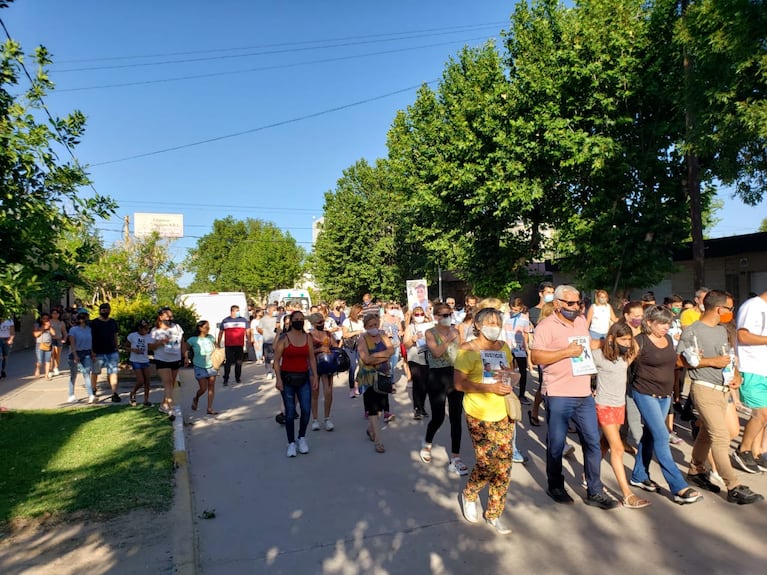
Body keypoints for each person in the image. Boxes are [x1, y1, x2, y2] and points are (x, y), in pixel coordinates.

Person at [530, 284, 617, 509]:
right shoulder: (545, 326)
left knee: (592, 442)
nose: (575, 307)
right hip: (558, 393)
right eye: (570, 303)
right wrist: (565, 352)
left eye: (578, 302)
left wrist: (609, 342)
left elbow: (587, 346)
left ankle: (595, 491)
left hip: (583, 393)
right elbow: (536, 357)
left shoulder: (580, 322)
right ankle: (555, 485)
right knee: (557, 444)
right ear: (557, 303)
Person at [678, 290, 763, 504]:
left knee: (707, 432)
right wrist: (711, 361)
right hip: (704, 389)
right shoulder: (693, 331)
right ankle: (733, 485)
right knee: (721, 435)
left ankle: (696, 470)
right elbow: (681, 361)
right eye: (730, 308)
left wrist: (735, 376)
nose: (731, 313)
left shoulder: (721, 330)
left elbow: (729, 357)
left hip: (723, 389)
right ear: (718, 309)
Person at [628, 305, 702, 504]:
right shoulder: (640, 341)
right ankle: (678, 487)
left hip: (664, 395)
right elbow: (623, 364)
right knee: (662, 436)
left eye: (668, 323)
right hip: (644, 393)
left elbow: (674, 363)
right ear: (649, 322)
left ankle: (638, 475)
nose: (666, 327)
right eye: (661, 323)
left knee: (651, 435)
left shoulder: (668, 339)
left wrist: (688, 359)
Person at [454, 307, 516, 534]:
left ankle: (495, 513)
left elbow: (510, 371)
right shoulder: (467, 349)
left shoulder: (504, 347)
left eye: (498, 322)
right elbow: (459, 384)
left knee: (504, 466)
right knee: (487, 462)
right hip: (478, 412)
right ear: (478, 325)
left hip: (504, 412)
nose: (494, 327)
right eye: (489, 322)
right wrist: (488, 387)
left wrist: (509, 379)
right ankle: (470, 493)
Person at [591, 322, 650, 509]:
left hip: (619, 405)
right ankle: (627, 495)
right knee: (617, 449)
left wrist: (635, 328)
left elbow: (637, 346)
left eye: (628, 339)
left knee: (605, 443)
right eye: (623, 339)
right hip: (604, 405)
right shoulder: (599, 356)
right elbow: (584, 362)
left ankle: (588, 474)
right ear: (612, 338)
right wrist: (604, 341)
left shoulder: (625, 357)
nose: (627, 342)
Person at [419, 302, 466, 475]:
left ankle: (455, 457)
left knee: (456, 416)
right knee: (438, 416)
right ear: (436, 316)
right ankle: (427, 442)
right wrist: (449, 338)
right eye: (444, 315)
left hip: (454, 374)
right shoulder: (430, 332)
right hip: (437, 376)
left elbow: (460, 352)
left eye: (450, 314)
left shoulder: (456, 331)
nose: (448, 318)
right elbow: (436, 352)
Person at [274, 310, 318, 457]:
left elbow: (312, 358)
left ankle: (301, 437)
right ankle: (291, 442)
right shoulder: (284, 339)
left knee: (306, 409)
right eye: (296, 319)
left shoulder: (308, 338)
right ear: (291, 321)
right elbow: (276, 361)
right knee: (290, 411)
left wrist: (315, 376)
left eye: (301, 319)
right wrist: (278, 379)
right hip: (287, 379)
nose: (299, 321)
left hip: (304, 378)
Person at [732, 289, 767, 474]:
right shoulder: (752, 306)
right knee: (761, 414)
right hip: (752, 367)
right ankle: (742, 450)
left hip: (765, 368)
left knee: (765, 416)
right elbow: (743, 336)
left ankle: (756, 453)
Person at [356, 313, 394, 453]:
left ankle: (370, 429)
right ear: (365, 326)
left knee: (380, 407)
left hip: (383, 375)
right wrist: (384, 356)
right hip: (369, 377)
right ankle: (378, 441)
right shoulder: (362, 339)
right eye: (370, 326)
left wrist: (376, 358)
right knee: (372, 408)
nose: (373, 328)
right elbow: (366, 359)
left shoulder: (383, 334)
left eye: (375, 325)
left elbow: (391, 350)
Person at [149, 306, 186, 420]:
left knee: (172, 383)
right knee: (168, 383)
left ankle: (163, 405)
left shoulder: (177, 327)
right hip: (162, 359)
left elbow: (182, 342)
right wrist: (160, 342)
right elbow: (150, 346)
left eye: (171, 316)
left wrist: (185, 356)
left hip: (175, 359)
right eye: (168, 316)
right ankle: (171, 409)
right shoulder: (155, 331)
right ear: (161, 317)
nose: (170, 318)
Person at [404, 306, 434, 419]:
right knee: (418, 383)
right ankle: (417, 408)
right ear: (413, 316)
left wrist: (429, 315)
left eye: (421, 314)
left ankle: (422, 407)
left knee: (426, 384)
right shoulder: (410, 328)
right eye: (417, 314)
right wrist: (413, 339)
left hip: (428, 357)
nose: (419, 316)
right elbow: (405, 344)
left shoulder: (429, 326)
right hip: (415, 357)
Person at [527, 302, 554, 427]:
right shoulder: (541, 327)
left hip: (560, 361)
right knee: (543, 387)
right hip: (545, 361)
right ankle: (535, 411)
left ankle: (561, 419)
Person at [309, 312, 337, 431]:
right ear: (313, 323)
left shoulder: (328, 334)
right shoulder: (309, 336)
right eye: (319, 322)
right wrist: (320, 349)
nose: (322, 324)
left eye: (323, 321)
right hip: (313, 366)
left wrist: (332, 349)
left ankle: (327, 418)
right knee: (315, 393)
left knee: (328, 392)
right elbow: (308, 352)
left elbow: (335, 346)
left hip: (327, 365)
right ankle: (315, 419)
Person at [502, 297, 532, 405]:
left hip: (519, 348)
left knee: (523, 371)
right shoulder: (505, 316)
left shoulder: (524, 318)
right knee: (507, 371)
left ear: (520, 308)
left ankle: (522, 394)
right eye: (512, 309)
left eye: (516, 310)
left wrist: (526, 347)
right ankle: (507, 392)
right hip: (507, 347)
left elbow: (526, 333)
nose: (514, 312)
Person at [90, 302, 121, 402]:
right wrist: (92, 351)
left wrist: (116, 348)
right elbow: (90, 338)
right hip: (97, 352)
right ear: (99, 311)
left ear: (109, 310)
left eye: (106, 309)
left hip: (112, 351)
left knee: (113, 373)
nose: (104, 311)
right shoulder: (94, 323)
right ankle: (93, 390)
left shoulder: (113, 322)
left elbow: (115, 336)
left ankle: (114, 393)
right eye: (103, 309)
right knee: (95, 372)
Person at [187, 320, 219, 415]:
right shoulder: (193, 339)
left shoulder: (211, 338)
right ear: (200, 328)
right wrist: (186, 356)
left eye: (209, 327)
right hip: (199, 365)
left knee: (211, 385)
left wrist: (218, 353)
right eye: (206, 327)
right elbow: (185, 347)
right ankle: (196, 398)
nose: (208, 329)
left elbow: (217, 347)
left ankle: (209, 408)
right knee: (203, 388)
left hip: (212, 364)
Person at [217, 304, 250, 385]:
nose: (239, 312)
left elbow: (248, 331)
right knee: (228, 362)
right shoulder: (225, 321)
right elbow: (221, 332)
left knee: (239, 362)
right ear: (232, 311)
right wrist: (218, 343)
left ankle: (237, 377)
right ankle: (226, 378)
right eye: (237, 311)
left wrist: (249, 340)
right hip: (229, 345)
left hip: (239, 344)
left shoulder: (243, 320)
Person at [68, 309, 96, 403]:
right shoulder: (73, 330)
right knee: (73, 375)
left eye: (85, 316)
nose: (83, 319)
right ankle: (71, 395)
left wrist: (92, 352)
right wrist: (75, 355)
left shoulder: (90, 330)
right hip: (76, 353)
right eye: (81, 317)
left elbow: (91, 342)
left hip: (87, 353)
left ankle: (90, 395)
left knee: (86, 373)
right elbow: (72, 344)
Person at [126, 319, 153, 407]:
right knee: (141, 380)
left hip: (145, 360)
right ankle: (133, 393)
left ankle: (146, 400)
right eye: (144, 329)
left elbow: (151, 347)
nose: (146, 331)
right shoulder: (132, 336)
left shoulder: (149, 336)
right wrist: (133, 350)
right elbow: (125, 347)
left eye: (147, 329)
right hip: (135, 360)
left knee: (147, 381)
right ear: (139, 328)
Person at [341, 304, 365, 398]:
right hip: (350, 346)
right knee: (352, 366)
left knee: (362, 366)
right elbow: (345, 335)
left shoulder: (361, 321)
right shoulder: (347, 321)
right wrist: (356, 332)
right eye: (360, 312)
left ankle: (357, 383)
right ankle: (351, 388)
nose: (361, 313)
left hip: (360, 345)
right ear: (356, 312)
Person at [258, 303, 279, 380]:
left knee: (277, 357)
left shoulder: (277, 319)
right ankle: (269, 372)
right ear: (269, 310)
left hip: (276, 341)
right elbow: (259, 328)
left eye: (275, 310)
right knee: (267, 358)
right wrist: (265, 334)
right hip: (267, 341)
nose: (275, 311)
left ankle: (277, 371)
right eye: (274, 310)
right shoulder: (263, 319)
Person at [33, 313, 55, 379]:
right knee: (39, 361)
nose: (46, 320)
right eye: (44, 318)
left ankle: (46, 375)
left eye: (47, 319)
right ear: (41, 319)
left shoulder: (50, 325)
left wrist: (50, 327)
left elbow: (54, 334)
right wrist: (43, 329)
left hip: (48, 344)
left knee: (47, 361)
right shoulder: (37, 325)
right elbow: (36, 335)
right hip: (40, 344)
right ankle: (37, 369)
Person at [49, 307, 68, 376]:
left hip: (59, 339)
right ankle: (50, 369)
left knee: (57, 355)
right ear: (51, 314)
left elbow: (64, 331)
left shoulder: (61, 322)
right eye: (53, 313)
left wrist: (65, 338)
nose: (55, 315)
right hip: (51, 339)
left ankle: (56, 367)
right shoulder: (49, 321)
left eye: (57, 313)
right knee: (51, 355)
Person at [0, 315, 14, 379]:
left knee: (5, 357)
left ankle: (3, 370)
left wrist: (11, 339)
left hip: (6, 339)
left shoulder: (9, 321)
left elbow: (12, 331)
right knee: (0, 357)